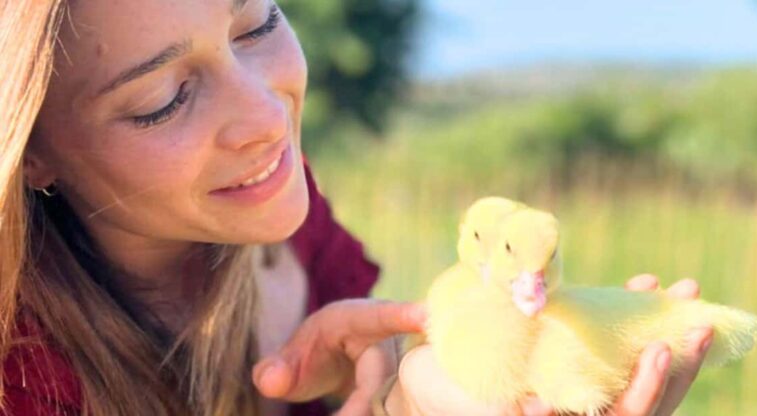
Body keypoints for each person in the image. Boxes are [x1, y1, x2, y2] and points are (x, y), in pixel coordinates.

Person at [0, 1, 713, 415]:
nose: (265, 117)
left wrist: (398, 383)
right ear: (30, 151)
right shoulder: (22, 380)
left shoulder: (293, 225)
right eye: (164, 101)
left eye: (256, 24)